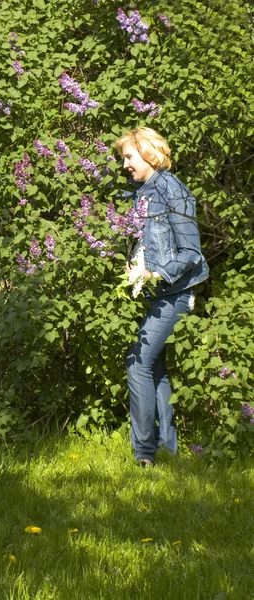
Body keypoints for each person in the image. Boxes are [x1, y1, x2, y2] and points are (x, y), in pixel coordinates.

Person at [114, 127, 209, 467]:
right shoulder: (142, 192)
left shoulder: (172, 189)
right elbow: (148, 240)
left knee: (137, 362)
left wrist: (156, 273)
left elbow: (192, 253)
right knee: (154, 369)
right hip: (156, 293)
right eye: (123, 158)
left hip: (176, 292)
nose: (125, 164)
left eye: (129, 156)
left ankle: (143, 454)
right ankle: (168, 450)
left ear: (149, 153)